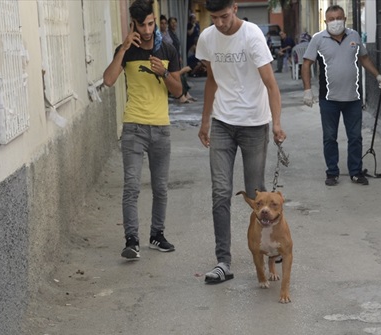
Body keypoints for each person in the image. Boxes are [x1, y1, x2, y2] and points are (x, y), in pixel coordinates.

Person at [196, 0, 286, 284]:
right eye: (214, 18)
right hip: (222, 122)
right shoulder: (207, 38)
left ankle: (270, 251)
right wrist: (205, 120)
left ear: (234, 8)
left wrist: (277, 122)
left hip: (254, 124)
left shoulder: (252, 36)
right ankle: (223, 260)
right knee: (220, 192)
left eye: (224, 16)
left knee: (256, 197)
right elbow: (211, 80)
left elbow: (271, 83)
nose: (220, 23)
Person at [102, 0, 182, 260]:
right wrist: (123, 50)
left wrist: (164, 73)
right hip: (134, 127)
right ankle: (131, 240)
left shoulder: (168, 49)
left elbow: (179, 91)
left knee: (160, 187)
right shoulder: (126, 51)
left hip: (161, 128)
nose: (147, 30)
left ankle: (156, 235)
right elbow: (108, 79)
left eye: (150, 23)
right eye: (141, 25)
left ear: (154, 20)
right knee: (132, 186)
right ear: (133, 25)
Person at [301, 5, 381, 186]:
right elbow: (306, 64)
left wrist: (378, 75)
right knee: (329, 137)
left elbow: (364, 58)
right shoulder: (318, 39)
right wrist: (307, 90)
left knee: (355, 137)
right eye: (331, 19)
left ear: (344, 19)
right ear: (325, 21)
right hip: (329, 99)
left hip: (353, 98)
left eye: (338, 18)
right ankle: (332, 172)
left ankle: (356, 171)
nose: (335, 22)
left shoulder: (354, 36)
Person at [161, 15, 196, 103]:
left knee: (181, 75)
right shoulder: (160, 35)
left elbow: (174, 46)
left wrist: (178, 56)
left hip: (173, 57)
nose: (164, 25)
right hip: (166, 58)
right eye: (162, 23)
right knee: (179, 75)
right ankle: (182, 96)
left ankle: (185, 94)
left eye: (175, 22)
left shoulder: (169, 33)